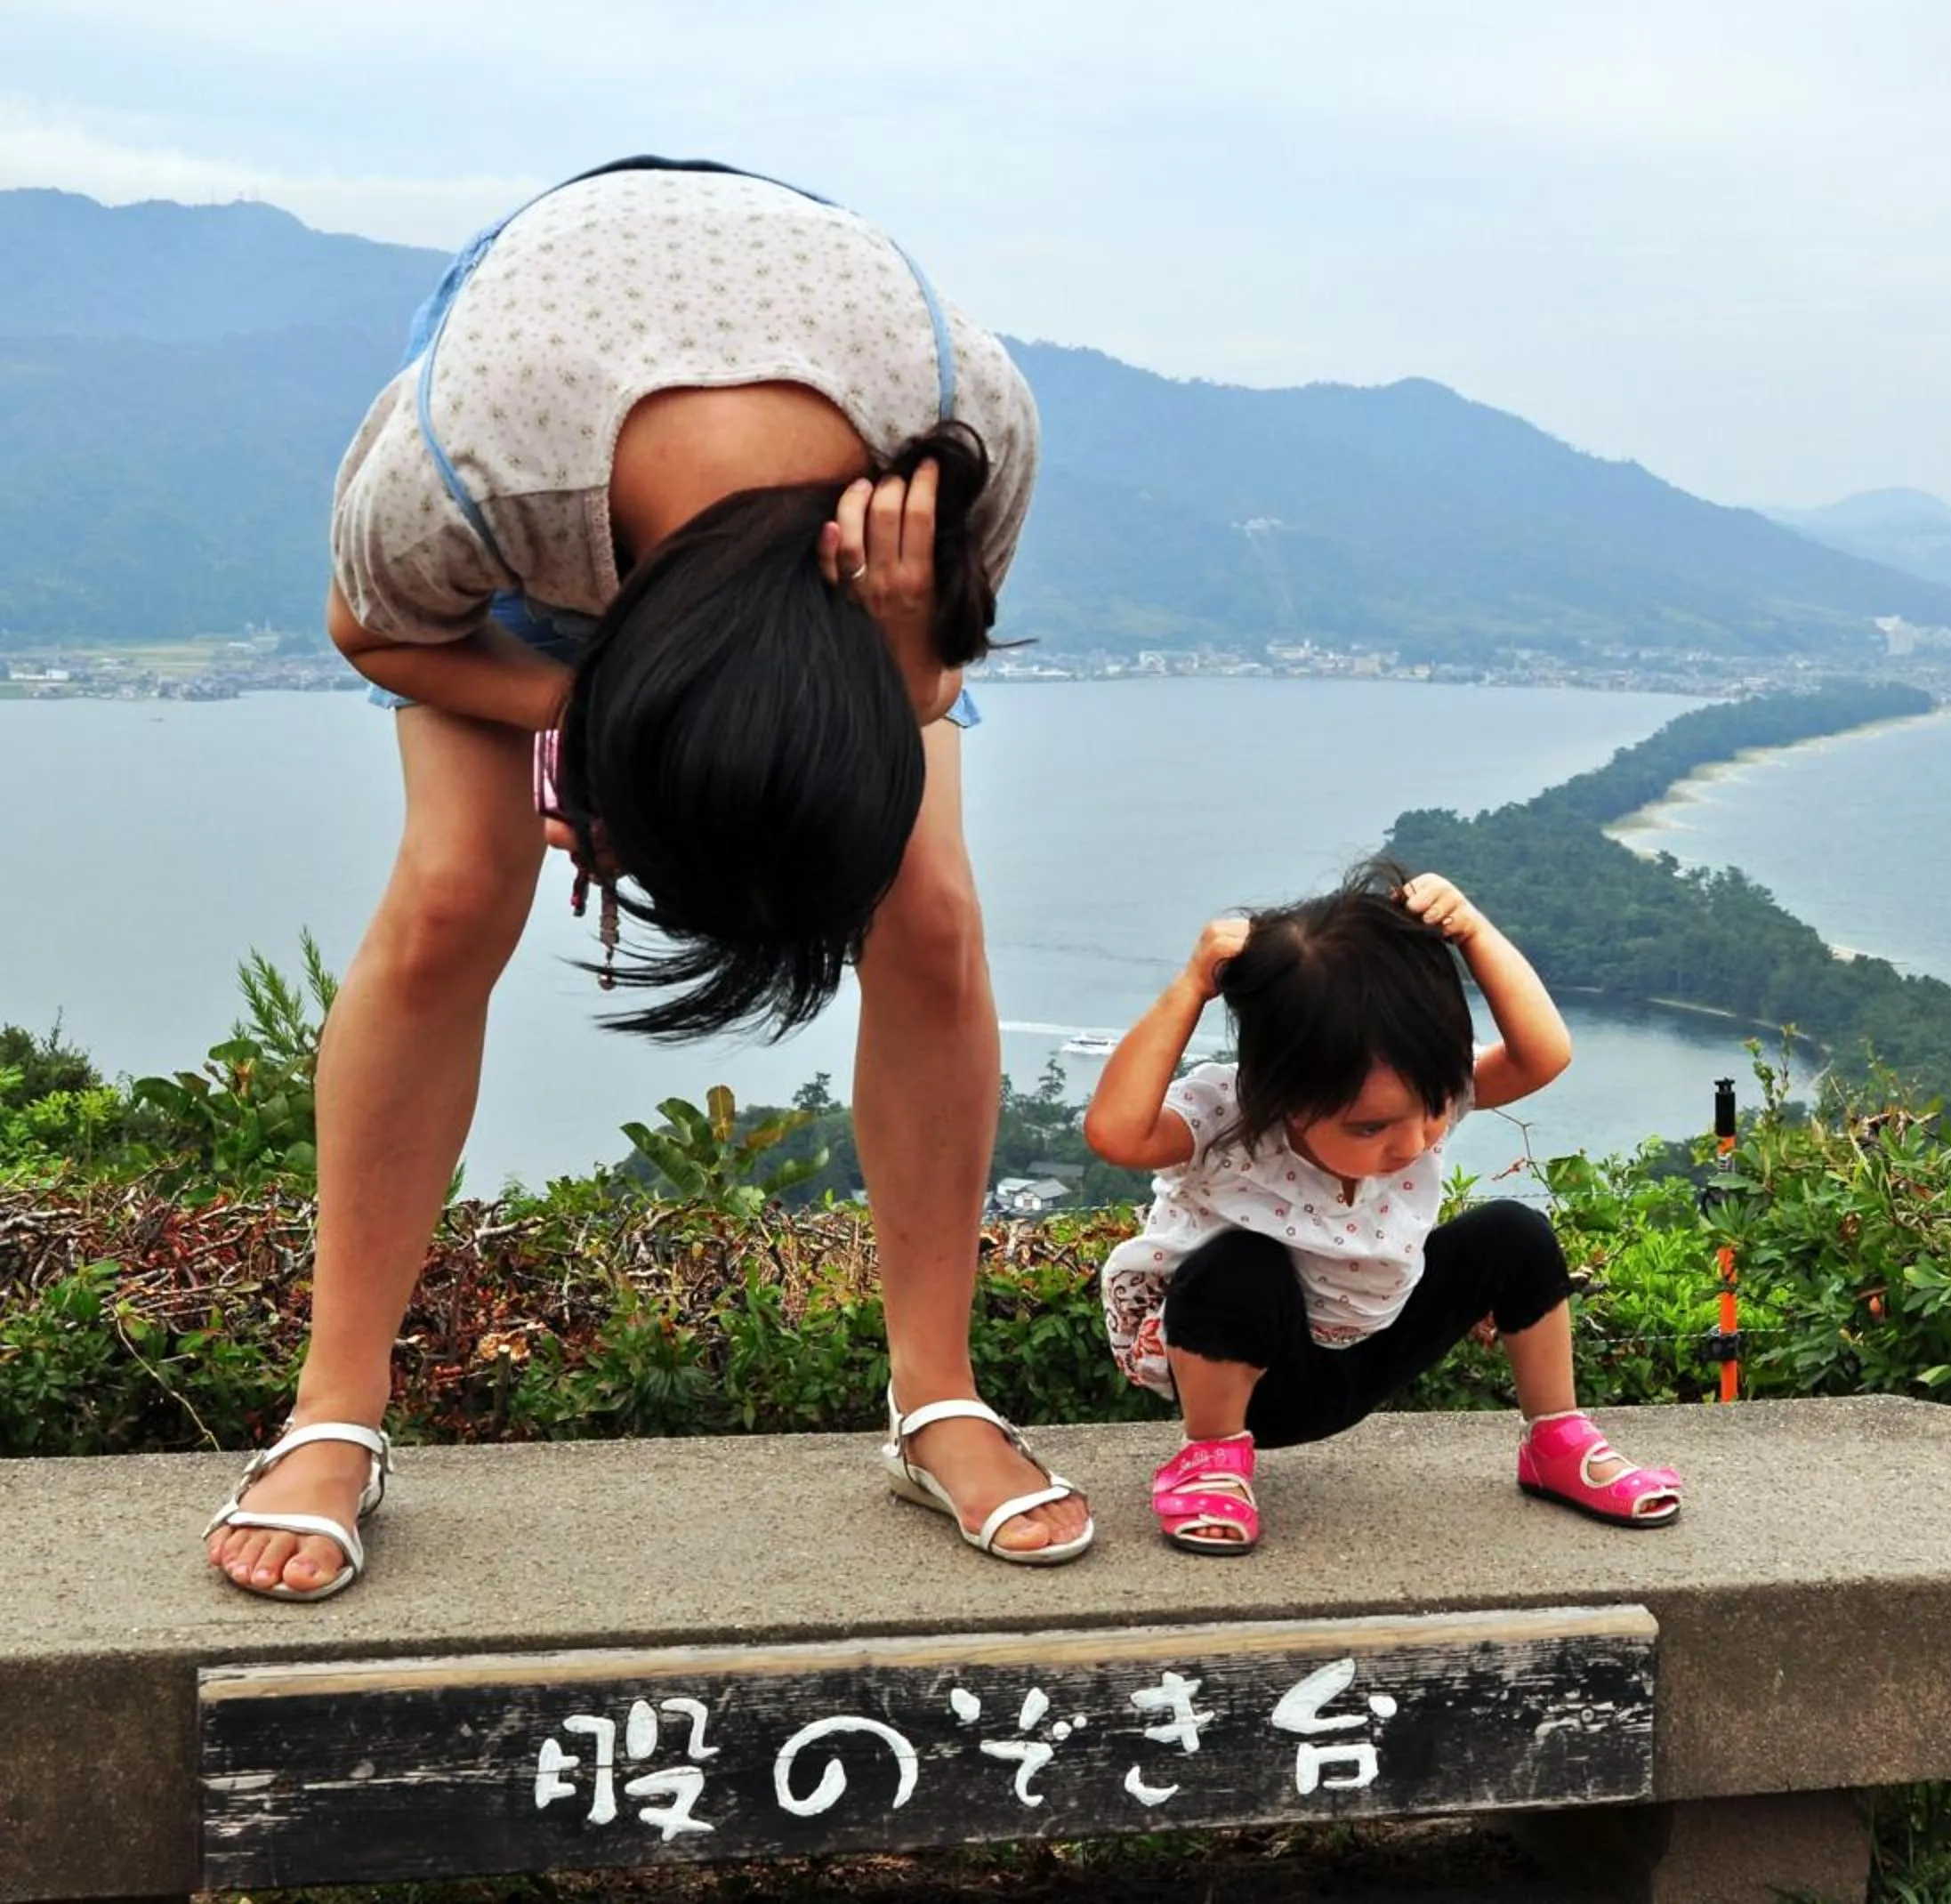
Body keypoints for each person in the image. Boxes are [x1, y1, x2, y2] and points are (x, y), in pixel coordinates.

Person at [204, 158, 1092, 1601]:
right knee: (448, 895)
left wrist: (909, 658)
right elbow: (370, 630)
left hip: (846, 584)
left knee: (930, 913)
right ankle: (332, 1411)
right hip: (556, 488)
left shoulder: (959, 433)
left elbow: (930, 687)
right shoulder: (470, 471)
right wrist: (587, 733)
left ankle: (939, 1398)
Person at [1083, 862, 1682, 1553]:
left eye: (1432, 1111)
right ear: (1283, 1096)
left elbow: (1543, 1054)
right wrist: (1192, 985)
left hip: (1376, 1345)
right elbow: (1116, 1131)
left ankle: (1555, 1439)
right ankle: (1210, 1460)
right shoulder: (1230, 1119)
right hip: (1258, 1378)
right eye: (1370, 1129)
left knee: (1514, 1235)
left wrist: (1473, 933)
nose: (1414, 1141)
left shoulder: (1413, 1095)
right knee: (1238, 1267)